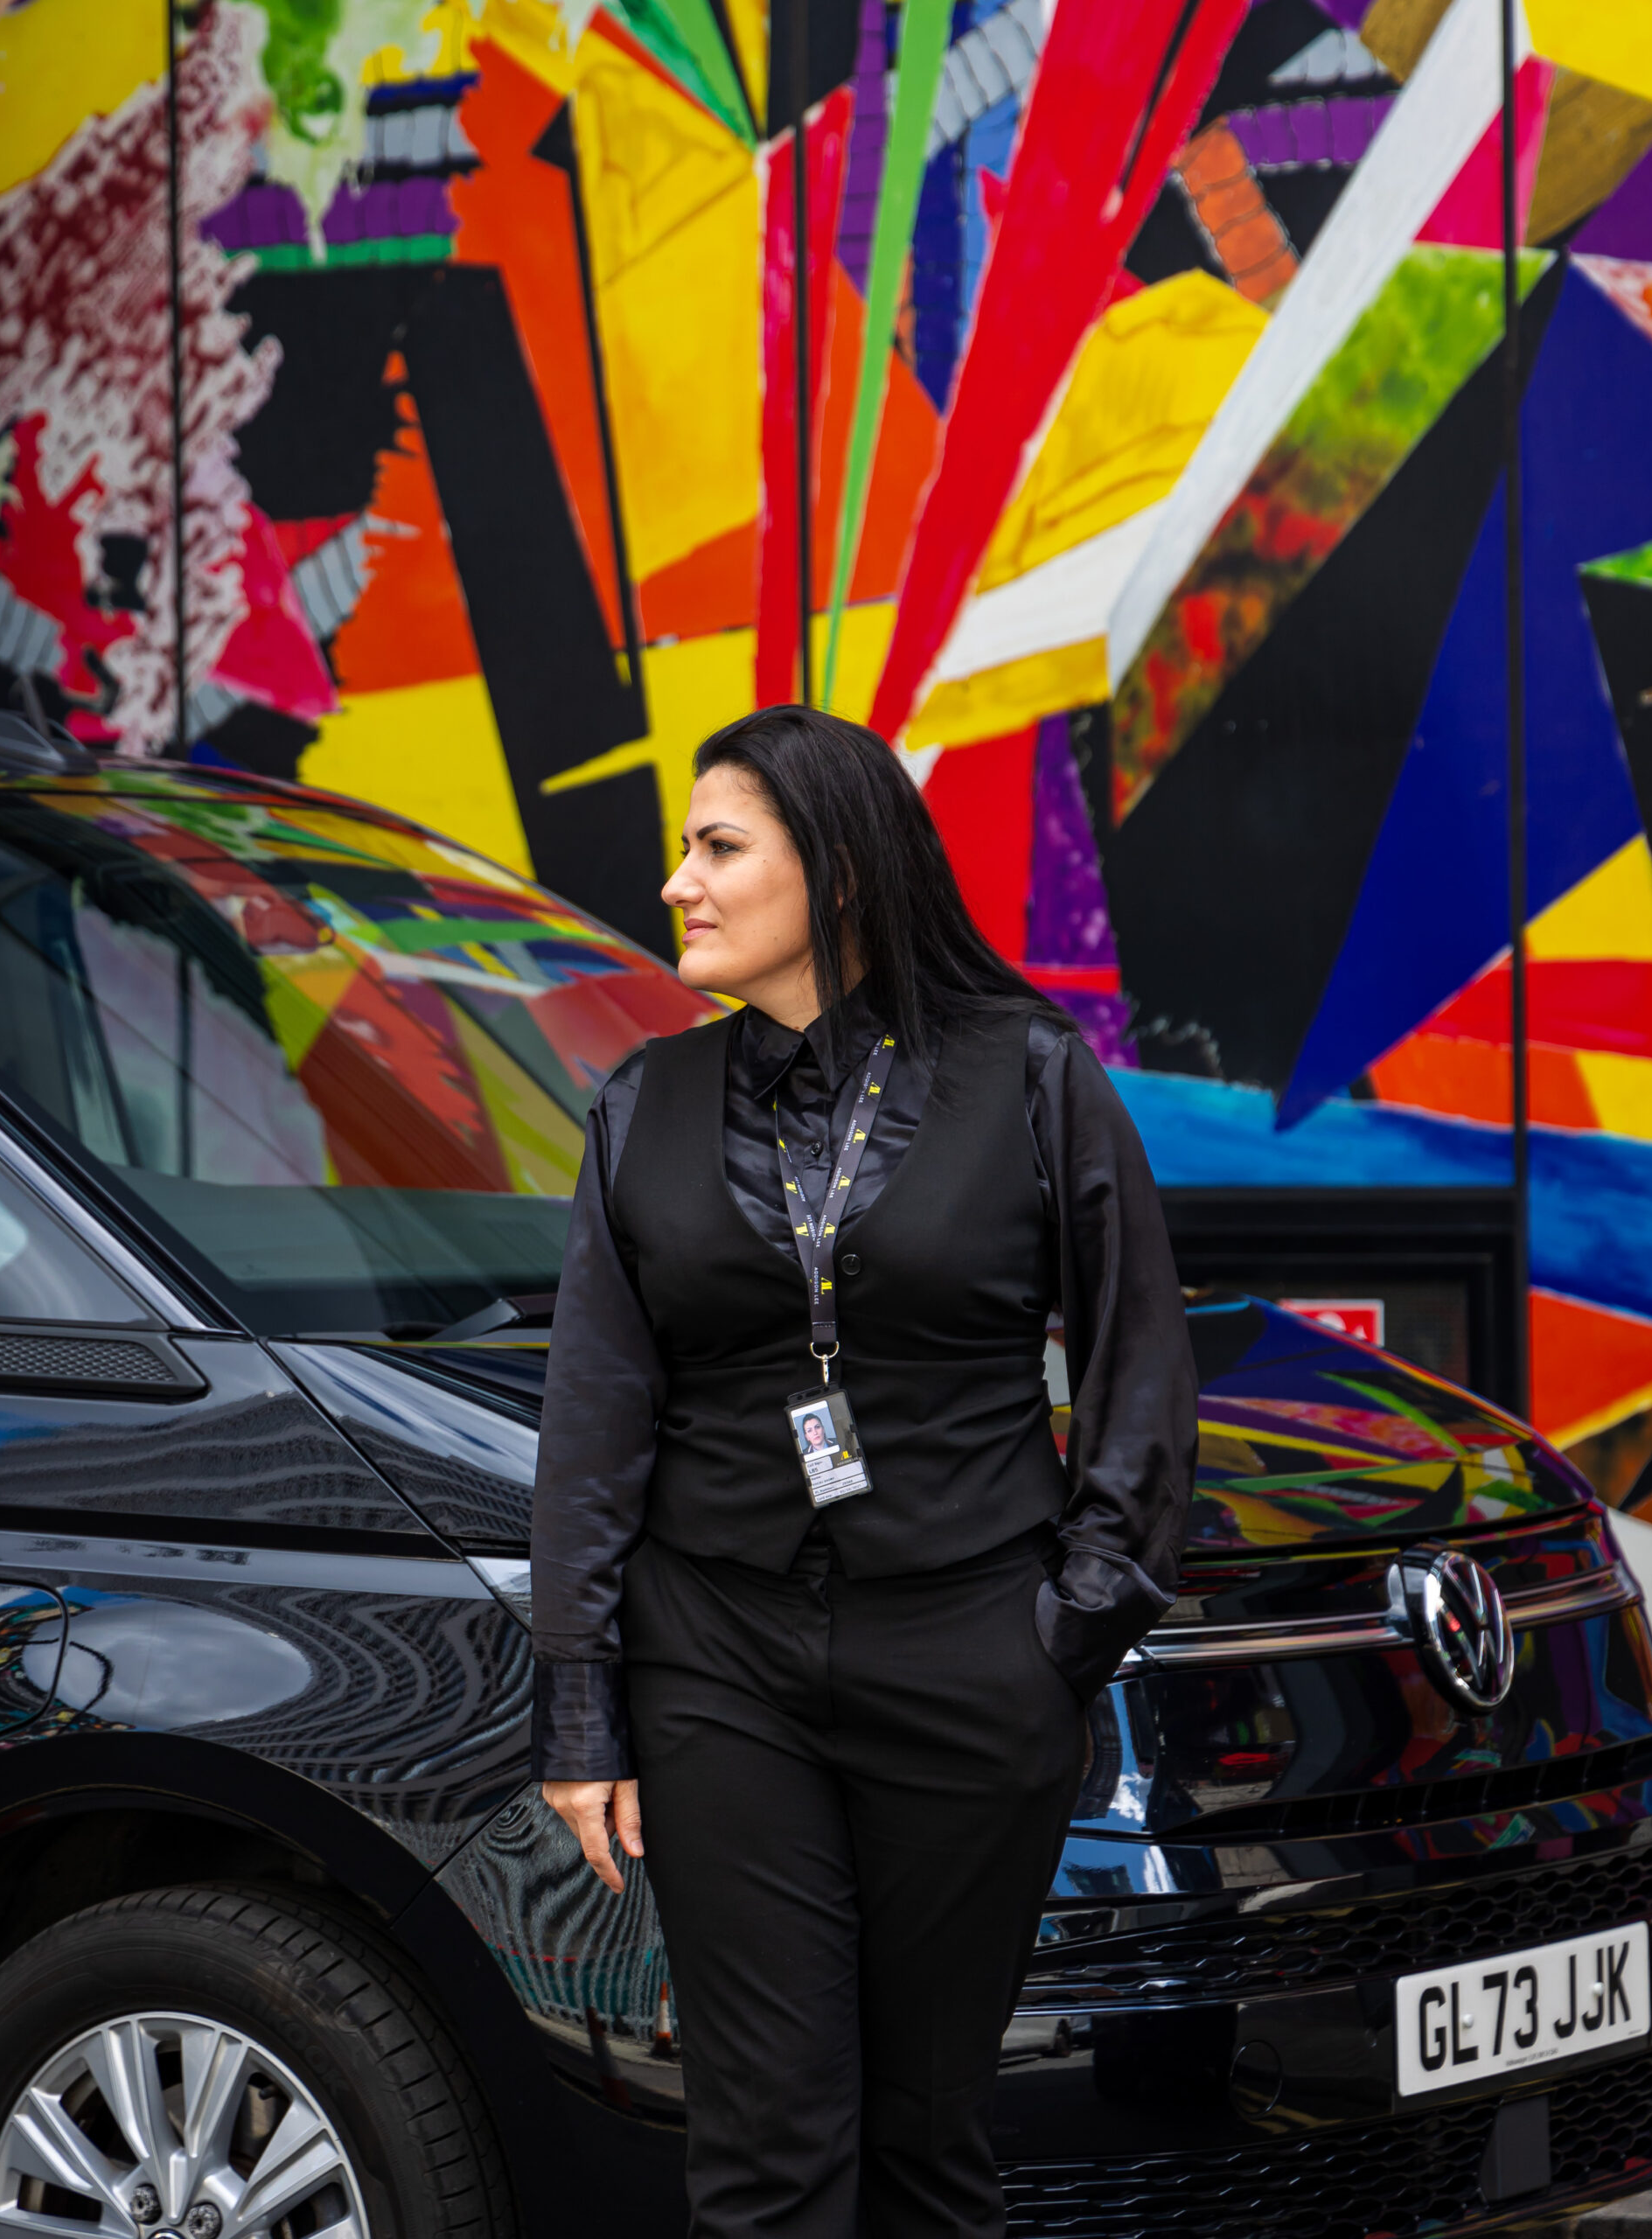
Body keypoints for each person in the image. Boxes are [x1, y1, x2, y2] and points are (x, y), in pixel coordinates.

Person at [532, 707, 1196, 2238]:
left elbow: (1139, 1367)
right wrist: (583, 1700)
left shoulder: (1030, 1076)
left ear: (832, 872)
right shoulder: (642, 1106)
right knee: (769, 2149)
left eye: (716, 848)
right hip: (718, 1659)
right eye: (684, 851)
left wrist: (1067, 1632)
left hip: (970, 1656)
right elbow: (596, 1418)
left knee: (923, 2134)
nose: (676, 885)